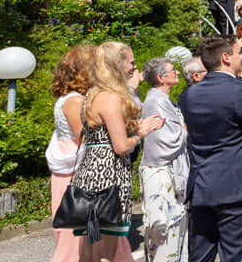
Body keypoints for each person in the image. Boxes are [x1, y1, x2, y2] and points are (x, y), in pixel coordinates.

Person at [180, 35, 242, 262]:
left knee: (200, 256)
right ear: (225, 57)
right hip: (237, 189)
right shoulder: (241, 92)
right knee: (235, 256)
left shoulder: (188, 95)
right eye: (237, 52)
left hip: (201, 186)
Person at [64, 42, 163, 262]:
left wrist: (135, 128)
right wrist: (141, 133)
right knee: (105, 253)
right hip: (107, 177)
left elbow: (104, 135)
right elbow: (120, 146)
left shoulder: (93, 93)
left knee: (89, 252)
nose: (134, 68)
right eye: (131, 62)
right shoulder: (109, 97)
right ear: (116, 65)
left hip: (90, 175)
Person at [47, 44, 95, 262]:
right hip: (75, 173)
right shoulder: (75, 101)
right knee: (75, 238)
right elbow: (86, 138)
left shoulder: (69, 99)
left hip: (68, 171)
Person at [139, 57, 189, 262]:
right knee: (165, 229)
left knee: (176, 230)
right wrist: (186, 130)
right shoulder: (156, 101)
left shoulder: (163, 99)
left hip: (169, 170)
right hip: (161, 172)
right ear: (161, 78)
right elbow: (163, 139)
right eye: (172, 70)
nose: (177, 72)